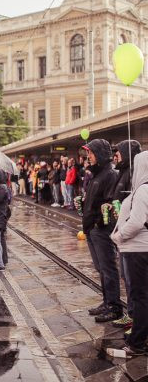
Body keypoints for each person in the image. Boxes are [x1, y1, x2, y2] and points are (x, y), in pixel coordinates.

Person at [111, 151, 148, 357]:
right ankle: (141, 337)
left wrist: (119, 236)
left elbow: (136, 222)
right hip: (143, 248)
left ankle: (136, 344)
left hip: (138, 250)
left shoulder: (143, 191)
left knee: (139, 296)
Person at [80, 139, 121, 322]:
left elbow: (110, 202)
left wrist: (97, 222)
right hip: (91, 229)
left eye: (91, 152)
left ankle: (114, 307)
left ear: (101, 154)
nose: (88, 156)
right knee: (101, 269)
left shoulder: (110, 174)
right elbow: (95, 199)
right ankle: (107, 301)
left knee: (108, 268)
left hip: (101, 229)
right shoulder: (96, 175)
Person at [109, 140, 141, 332]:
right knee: (126, 277)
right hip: (121, 231)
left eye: (118, 153)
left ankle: (136, 318)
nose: (115, 156)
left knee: (133, 280)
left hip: (131, 237)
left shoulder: (133, 174)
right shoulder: (122, 172)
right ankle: (131, 314)